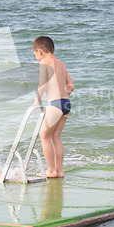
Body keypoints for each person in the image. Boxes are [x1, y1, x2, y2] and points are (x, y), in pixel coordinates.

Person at [32, 36, 74, 178]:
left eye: (35, 55)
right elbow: (71, 86)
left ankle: (51, 170)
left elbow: (43, 84)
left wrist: (37, 101)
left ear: (39, 51)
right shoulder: (61, 63)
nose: (37, 58)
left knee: (44, 136)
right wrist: (62, 95)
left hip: (55, 104)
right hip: (66, 104)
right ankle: (59, 171)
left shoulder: (44, 62)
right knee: (56, 137)